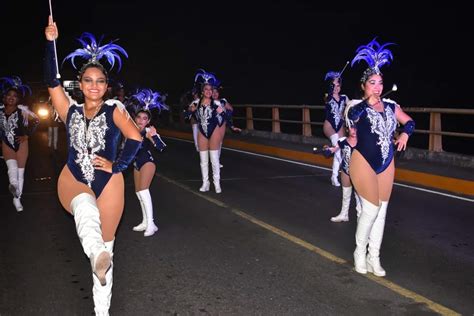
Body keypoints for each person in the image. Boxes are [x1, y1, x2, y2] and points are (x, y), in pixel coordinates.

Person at [44, 16, 142, 315]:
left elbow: (135, 137)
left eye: (100, 81)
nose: (94, 85)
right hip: (73, 178)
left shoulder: (115, 110)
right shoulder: (69, 109)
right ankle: (96, 251)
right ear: (81, 84)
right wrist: (50, 43)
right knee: (85, 209)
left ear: (106, 85)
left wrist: (118, 165)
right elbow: (51, 81)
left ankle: (102, 311)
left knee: (107, 251)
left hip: (109, 183)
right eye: (89, 80)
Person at [347, 38, 415, 277]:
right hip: (362, 161)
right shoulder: (356, 105)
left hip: (387, 163)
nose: (377, 87)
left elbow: (410, 121)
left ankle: (374, 257)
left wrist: (405, 134)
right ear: (364, 86)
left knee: (382, 211)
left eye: (380, 83)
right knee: (370, 210)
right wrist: (367, 103)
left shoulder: (391, 105)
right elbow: (351, 119)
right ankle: (359, 252)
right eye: (372, 83)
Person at [129, 88, 167, 237]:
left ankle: (151, 224)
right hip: (136, 164)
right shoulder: (131, 129)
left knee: (144, 191)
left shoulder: (147, 130)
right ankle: (145, 221)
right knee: (138, 193)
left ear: (148, 121)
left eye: (144, 118)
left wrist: (155, 135)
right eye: (139, 117)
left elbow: (161, 147)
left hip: (147, 163)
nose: (141, 120)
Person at [0, 76, 39, 212]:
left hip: (21, 144)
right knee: (12, 168)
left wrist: (27, 135)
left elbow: (36, 120)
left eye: (14, 96)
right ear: (4, 98)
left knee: (20, 172)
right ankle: (14, 186)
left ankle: (17, 199)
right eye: (9, 95)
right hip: (6, 144)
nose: (11, 98)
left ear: (18, 99)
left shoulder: (22, 111)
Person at [187, 69, 227, 193]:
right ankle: (206, 183)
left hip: (213, 131)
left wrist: (223, 112)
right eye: (206, 89)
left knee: (214, 159)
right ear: (202, 91)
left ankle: (217, 183)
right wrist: (190, 110)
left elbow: (226, 116)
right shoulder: (196, 103)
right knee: (203, 161)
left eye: (211, 89)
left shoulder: (216, 103)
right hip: (202, 133)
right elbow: (187, 112)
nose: (209, 92)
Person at [325, 126, 362, 222]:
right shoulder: (342, 142)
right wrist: (327, 150)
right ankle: (344, 214)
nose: (354, 131)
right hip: (346, 171)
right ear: (347, 129)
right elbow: (333, 150)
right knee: (345, 194)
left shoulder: (363, 142)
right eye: (351, 128)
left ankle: (360, 216)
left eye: (356, 128)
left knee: (359, 196)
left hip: (359, 172)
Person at [323, 71, 350, 187]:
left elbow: (351, 107)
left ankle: (334, 176)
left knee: (339, 149)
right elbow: (327, 98)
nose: (336, 88)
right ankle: (339, 175)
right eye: (333, 85)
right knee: (338, 150)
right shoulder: (327, 97)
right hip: (329, 126)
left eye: (338, 85)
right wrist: (330, 89)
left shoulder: (344, 98)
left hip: (340, 127)